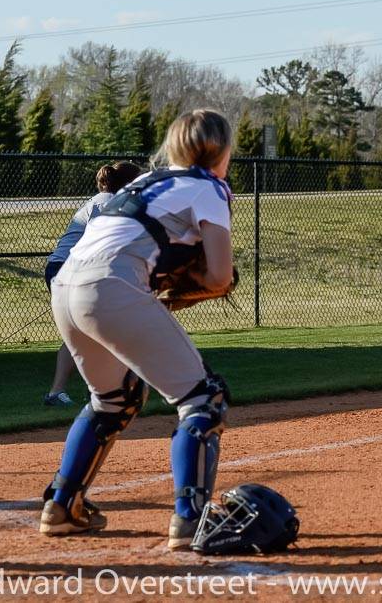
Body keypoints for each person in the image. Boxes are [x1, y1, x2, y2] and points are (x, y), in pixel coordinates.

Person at [41, 109, 235, 552]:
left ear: (174, 148)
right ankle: (191, 520)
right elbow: (221, 275)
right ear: (223, 151)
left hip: (66, 286)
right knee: (204, 399)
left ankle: (61, 505)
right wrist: (193, 286)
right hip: (111, 285)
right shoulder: (210, 187)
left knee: (114, 400)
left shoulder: (143, 181)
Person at [43, 161, 143, 406]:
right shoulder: (106, 202)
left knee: (82, 332)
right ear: (128, 184)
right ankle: (106, 389)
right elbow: (99, 241)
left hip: (70, 269)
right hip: (70, 269)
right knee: (102, 327)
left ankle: (60, 392)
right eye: (137, 181)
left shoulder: (112, 202)